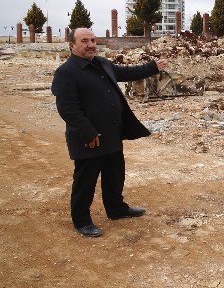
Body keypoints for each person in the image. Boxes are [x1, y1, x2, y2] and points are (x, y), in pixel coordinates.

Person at [51, 28, 167, 237]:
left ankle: (116, 209)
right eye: (84, 41)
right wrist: (87, 132)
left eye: (93, 40)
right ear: (72, 45)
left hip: (111, 134)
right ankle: (82, 220)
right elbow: (68, 108)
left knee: (114, 174)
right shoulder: (66, 72)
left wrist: (152, 67)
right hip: (89, 138)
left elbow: (126, 73)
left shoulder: (102, 63)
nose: (91, 45)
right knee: (85, 180)